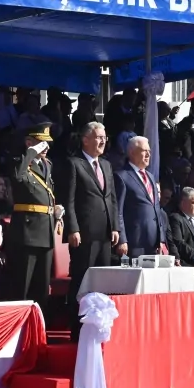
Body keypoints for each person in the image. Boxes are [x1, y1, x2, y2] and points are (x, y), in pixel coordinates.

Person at [63, 122, 120, 341]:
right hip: (84, 234)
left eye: (104, 137)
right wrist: (73, 228)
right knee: (82, 282)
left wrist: (114, 225)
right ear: (85, 139)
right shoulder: (74, 164)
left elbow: (112, 198)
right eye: (98, 137)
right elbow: (68, 200)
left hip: (105, 234)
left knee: (101, 283)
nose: (103, 140)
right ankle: (77, 332)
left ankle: (98, 330)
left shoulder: (106, 165)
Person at [7, 122, 61, 311]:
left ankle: (38, 330)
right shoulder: (19, 162)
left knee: (41, 289)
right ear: (28, 141)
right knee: (22, 287)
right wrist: (30, 152)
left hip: (45, 232)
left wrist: (55, 211)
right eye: (40, 142)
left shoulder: (47, 165)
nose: (45, 147)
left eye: (46, 143)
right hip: (26, 234)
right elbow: (18, 177)